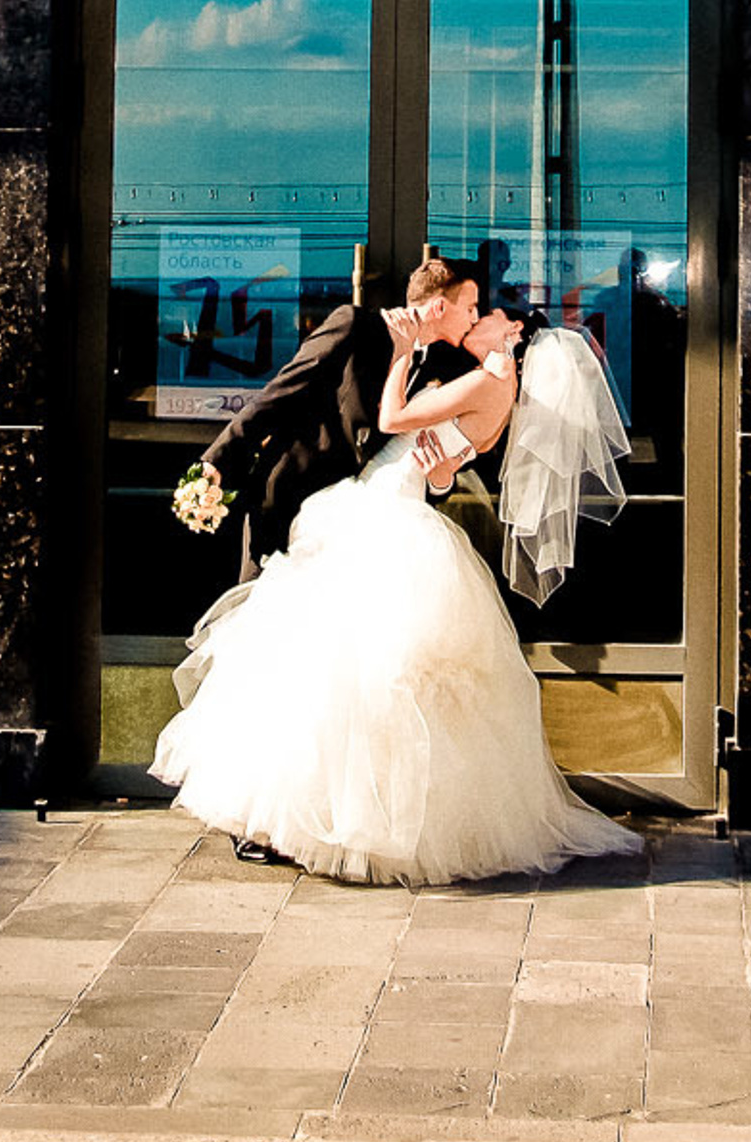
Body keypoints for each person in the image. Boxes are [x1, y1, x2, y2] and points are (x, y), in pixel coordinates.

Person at [152, 303, 642, 886]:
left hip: (385, 521)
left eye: (489, 314)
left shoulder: (490, 377)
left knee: (349, 677)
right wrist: (439, 474)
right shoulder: (490, 382)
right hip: (379, 508)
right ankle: (328, 814)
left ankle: (341, 819)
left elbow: (393, 416)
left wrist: (406, 353)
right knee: (340, 675)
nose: (478, 316)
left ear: (513, 333)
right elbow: (451, 463)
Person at [196, 256, 479, 585]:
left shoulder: (444, 367)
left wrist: (441, 481)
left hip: (358, 524)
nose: (475, 318)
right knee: (259, 613)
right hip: (294, 493)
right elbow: (280, 394)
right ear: (440, 308)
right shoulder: (355, 325)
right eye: (470, 307)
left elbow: (417, 454)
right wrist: (218, 460)